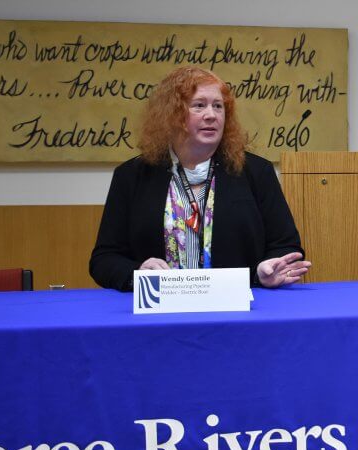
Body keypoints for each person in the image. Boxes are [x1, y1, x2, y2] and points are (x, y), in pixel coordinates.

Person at [89, 66, 309, 291]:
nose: (211, 115)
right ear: (172, 115)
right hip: (158, 310)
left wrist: (263, 272)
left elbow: (286, 247)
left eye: (218, 106)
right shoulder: (132, 175)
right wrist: (137, 273)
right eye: (199, 105)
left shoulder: (256, 171)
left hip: (238, 309)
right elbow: (104, 259)